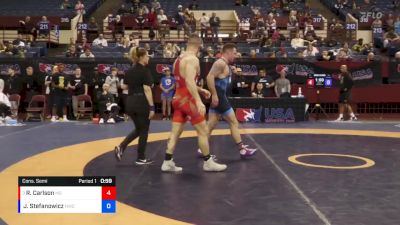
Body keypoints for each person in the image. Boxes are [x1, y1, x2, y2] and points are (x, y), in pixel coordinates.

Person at [161, 35, 227, 173]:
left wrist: (201, 89)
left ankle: (167, 161)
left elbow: (183, 81)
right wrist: (198, 100)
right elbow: (190, 81)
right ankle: (208, 162)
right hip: (188, 101)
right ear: (198, 46)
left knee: (175, 133)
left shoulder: (178, 60)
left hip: (177, 99)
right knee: (203, 131)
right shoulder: (193, 59)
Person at [203, 43, 257, 159]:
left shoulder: (224, 64)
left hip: (219, 97)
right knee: (233, 122)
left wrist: (231, 71)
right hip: (219, 97)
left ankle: (202, 149)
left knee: (210, 125)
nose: (235, 55)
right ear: (227, 52)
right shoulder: (220, 63)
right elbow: (209, 77)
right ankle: (242, 149)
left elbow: (220, 78)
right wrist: (215, 95)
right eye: (234, 53)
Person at [114, 47, 155, 165]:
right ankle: (141, 158)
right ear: (141, 57)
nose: (148, 58)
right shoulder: (145, 71)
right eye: (147, 55)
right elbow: (147, 89)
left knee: (139, 129)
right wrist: (152, 107)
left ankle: (121, 147)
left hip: (130, 102)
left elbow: (124, 87)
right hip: (141, 102)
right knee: (144, 131)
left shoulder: (129, 70)